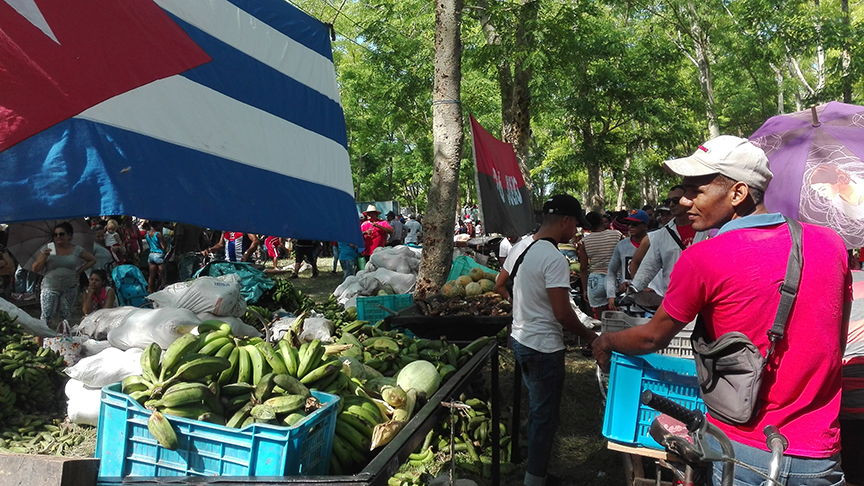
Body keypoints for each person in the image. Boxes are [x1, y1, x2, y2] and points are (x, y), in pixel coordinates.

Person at [593, 135, 849, 486]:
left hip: (739, 451)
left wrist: (606, 341)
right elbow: (836, 338)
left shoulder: (703, 258)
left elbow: (653, 337)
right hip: (819, 455)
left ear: (738, 194)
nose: (683, 202)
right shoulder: (831, 244)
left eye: (695, 191)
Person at [493, 194, 598, 486]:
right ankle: (534, 479)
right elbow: (563, 314)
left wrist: (522, 308)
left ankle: (533, 469)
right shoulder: (554, 258)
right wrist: (591, 337)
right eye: (576, 224)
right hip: (543, 347)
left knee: (538, 408)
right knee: (545, 416)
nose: (576, 231)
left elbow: (502, 284)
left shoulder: (523, 248)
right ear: (565, 221)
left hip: (521, 338)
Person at [628, 185, 709, 296]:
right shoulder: (661, 235)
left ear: (689, 199)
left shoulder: (708, 229)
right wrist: (635, 287)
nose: (671, 205)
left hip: (706, 296)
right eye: (668, 201)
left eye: (675, 200)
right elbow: (650, 265)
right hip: (674, 298)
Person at [31, 222, 97, 328]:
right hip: (50, 287)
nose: (58, 237)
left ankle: (63, 342)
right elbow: (35, 268)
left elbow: (92, 260)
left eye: (61, 234)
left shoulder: (77, 249)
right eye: (55, 235)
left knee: (65, 318)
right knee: (46, 317)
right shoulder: (47, 248)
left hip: (69, 287)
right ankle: (40, 343)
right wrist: (44, 256)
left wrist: (78, 271)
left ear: (69, 235)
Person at [578, 211, 623, 318]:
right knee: (618, 319)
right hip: (614, 278)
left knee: (601, 319)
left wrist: (584, 289)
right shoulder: (617, 235)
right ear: (602, 221)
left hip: (595, 281)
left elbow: (583, 268)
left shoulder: (584, 241)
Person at [606, 210, 649, 311]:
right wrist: (611, 295)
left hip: (650, 301)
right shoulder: (622, 245)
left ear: (645, 225)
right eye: (628, 224)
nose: (630, 227)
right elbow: (611, 270)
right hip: (627, 302)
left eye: (634, 224)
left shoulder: (655, 244)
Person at [145, 222, 167, 292]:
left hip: (151, 254)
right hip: (159, 254)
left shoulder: (147, 234)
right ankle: (162, 290)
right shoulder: (158, 234)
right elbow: (163, 246)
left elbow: (149, 244)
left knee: (151, 275)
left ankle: (150, 290)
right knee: (162, 276)